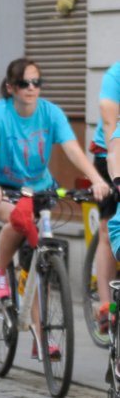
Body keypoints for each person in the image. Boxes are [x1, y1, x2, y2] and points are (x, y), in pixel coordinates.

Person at [0, 58, 109, 329]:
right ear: (11, 87)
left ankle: (44, 336)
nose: (31, 88)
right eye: (24, 83)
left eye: (36, 83)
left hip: (40, 190)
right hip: (4, 191)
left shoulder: (50, 113)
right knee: (18, 219)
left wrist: (97, 179)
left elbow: (72, 150)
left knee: (41, 258)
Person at [91, 58, 120, 332]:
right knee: (106, 228)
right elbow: (111, 124)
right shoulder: (116, 73)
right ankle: (105, 304)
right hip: (108, 154)